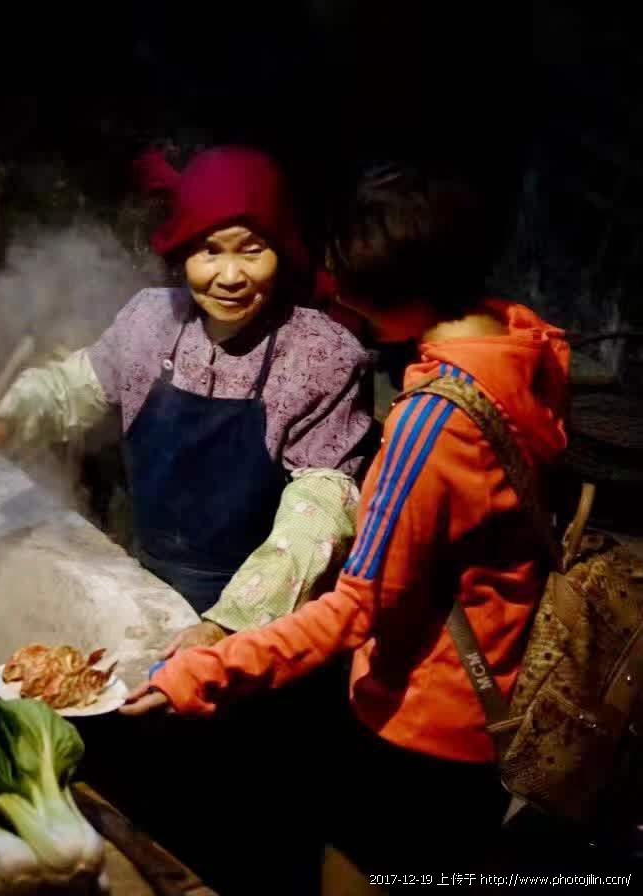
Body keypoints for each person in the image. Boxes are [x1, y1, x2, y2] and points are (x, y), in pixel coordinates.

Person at [125, 161, 572, 873]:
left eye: (351, 288)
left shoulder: (430, 426)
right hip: (496, 691)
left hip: (419, 721)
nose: (340, 298)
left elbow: (356, 607)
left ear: (395, 294)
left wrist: (205, 670)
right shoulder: (524, 349)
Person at [0, 146, 373, 634]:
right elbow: (72, 387)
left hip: (267, 622)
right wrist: (5, 415)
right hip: (149, 595)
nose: (230, 276)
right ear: (182, 251)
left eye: (252, 249)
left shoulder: (320, 354)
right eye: (209, 250)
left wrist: (227, 625)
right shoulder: (149, 322)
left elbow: (322, 508)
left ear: (282, 249)